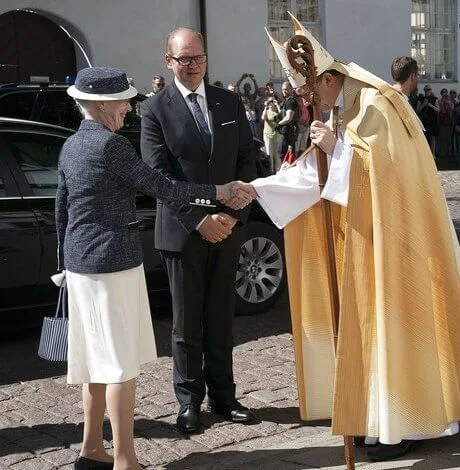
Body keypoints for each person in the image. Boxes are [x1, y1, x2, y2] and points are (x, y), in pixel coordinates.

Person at [257, 17, 460, 462]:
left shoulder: (375, 103)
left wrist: (336, 150)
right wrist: (257, 188)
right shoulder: (344, 106)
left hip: (399, 242)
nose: (308, 102)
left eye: (310, 92)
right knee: (368, 334)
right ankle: (376, 416)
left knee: (397, 330)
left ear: (329, 78)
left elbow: (388, 175)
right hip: (364, 241)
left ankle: (409, 420)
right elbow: (321, 174)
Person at [56, 67, 248, 470]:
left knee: (93, 363)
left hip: (80, 267)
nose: (130, 107)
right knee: (119, 366)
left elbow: (62, 210)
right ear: (103, 105)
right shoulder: (110, 147)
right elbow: (164, 187)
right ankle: (126, 458)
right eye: (125, 100)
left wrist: (65, 262)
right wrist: (218, 191)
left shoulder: (71, 145)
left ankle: (91, 448)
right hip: (112, 267)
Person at [139, 27, 257, 435]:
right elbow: (158, 177)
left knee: (222, 317)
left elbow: (247, 157)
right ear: (168, 61)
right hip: (182, 233)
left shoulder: (227, 101)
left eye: (198, 58)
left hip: (226, 229)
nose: (192, 66)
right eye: (184, 59)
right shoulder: (154, 110)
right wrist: (199, 219)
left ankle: (225, 397)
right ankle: (190, 402)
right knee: (187, 324)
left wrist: (234, 213)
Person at [276, 81, 300, 160]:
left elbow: (289, 117)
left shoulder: (290, 101)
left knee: (284, 154)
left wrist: (279, 124)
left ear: (291, 89)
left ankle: (287, 171)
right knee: (286, 154)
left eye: (286, 89)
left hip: (288, 131)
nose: (284, 91)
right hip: (288, 131)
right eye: (283, 89)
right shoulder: (287, 101)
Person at [417, 84, 440, 157]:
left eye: (428, 89)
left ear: (431, 90)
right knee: (425, 137)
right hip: (424, 120)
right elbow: (417, 110)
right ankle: (425, 153)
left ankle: (433, 154)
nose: (427, 91)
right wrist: (423, 104)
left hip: (432, 119)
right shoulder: (421, 99)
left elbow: (438, 110)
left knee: (433, 137)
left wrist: (431, 106)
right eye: (425, 90)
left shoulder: (434, 99)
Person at [261, 95, 281, 172]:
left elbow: (282, 116)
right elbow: (263, 118)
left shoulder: (277, 111)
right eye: (270, 101)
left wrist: (277, 105)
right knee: (269, 153)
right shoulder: (266, 111)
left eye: (272, 101)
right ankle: (271, 170)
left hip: (276, 134)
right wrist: (266, 107)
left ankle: (278, 170)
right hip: (268, 134)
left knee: (277, 153)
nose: (271, 103)